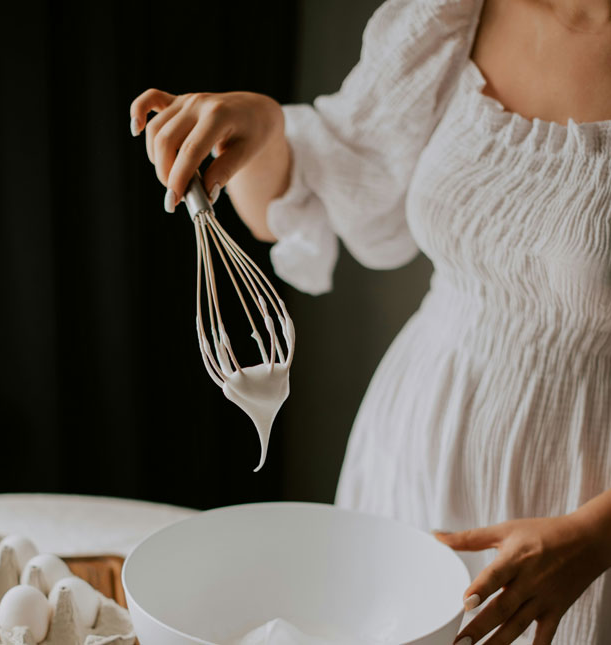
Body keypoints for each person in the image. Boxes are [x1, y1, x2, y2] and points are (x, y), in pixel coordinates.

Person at [129, 0, 611, 642]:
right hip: (411, 447)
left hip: (582, 493)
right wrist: (265, 126)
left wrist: (592, 537)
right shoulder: (455, 14)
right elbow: (321, 184)